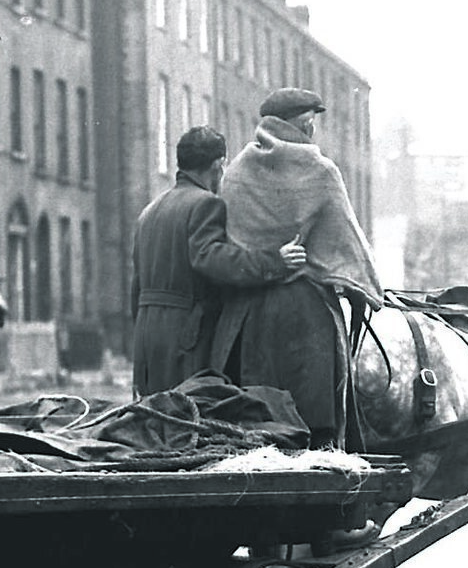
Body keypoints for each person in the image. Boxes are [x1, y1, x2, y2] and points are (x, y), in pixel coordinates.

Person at [211, 88, 384, 449]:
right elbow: (347, 244)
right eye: (312, 123)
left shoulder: (236, 172)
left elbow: (228, 241)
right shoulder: (320, 172)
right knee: (313, 413)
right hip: (302, 314)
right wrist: (370, 290)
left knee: (250, 414)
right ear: (303, 125)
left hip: (245, 314)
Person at [129, 126, 290, 399]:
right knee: (189, 418)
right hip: (186, 337)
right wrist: (275, 261)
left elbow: (136, 287)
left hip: (147, 337)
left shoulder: (149, 212)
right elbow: (212, 258)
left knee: (153, 421)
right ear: (218, 165)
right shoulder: (206, 204)